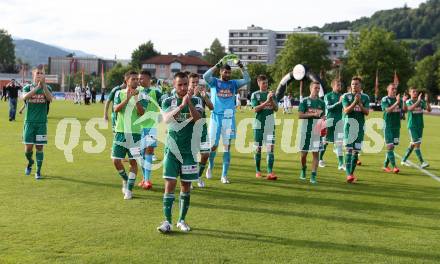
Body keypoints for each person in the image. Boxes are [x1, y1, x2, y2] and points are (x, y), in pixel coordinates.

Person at [157, 72, 203, 233]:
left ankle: (181, 220)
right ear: (174, 85)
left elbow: (198, 120)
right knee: (170, 184)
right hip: (172, 149)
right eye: (180, 85)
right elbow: (166, 119)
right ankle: (167, 222)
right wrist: (182, 106)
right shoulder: (167, 100)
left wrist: (189, 103)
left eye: (185, 84)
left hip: (189, 151)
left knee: (186, 186)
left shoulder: (197, 100)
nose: (183, 87)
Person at [203, 55, 250, 184]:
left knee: (227, 147)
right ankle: (210, 166)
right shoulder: (214, 82)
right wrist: (217, 65)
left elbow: (247, 79)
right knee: (213, 146)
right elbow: (205, 76)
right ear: (221, 72)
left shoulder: (233, 84)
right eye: (225, 71)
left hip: (229, 118)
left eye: (229, 72)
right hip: (215, 117)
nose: (227, 74)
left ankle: (224, 175)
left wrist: (240, 65)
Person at [111, 71, 145, 200]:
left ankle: (129, 190)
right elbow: (116, 109)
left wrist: (136, 99)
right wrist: (127, 99)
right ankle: (125, 179)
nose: (137, 81)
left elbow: (142, 113)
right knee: (115, 160)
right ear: (126, 81)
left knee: (133, 162)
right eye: (134, 79)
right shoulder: (119, 93)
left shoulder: (142, 95)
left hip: (135, 133)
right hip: (120, 132)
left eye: (137, 79)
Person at [22, 66, 53, 179]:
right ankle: (30, 162)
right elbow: (24, 97)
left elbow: (50, 99)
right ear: (34, 75)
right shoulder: (27, 87)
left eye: (42, 73)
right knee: (28, 148)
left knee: (39, 147)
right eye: (38, 73)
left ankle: (38, 171)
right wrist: (36, 88)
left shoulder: (47, 87)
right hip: (29, 123)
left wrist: (43, 86)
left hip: (41, 123)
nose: (39, 75)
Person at [136, 70, 162, 190]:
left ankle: (147, 180)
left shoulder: (156, 92)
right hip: (138, 127)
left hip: (152, 127)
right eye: (138, 78)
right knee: (141, 154)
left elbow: (164, 106)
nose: (139, 80)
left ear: (149, 79)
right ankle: (144, 178)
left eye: (141, 78)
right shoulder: (136, 92)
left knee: (149, 151)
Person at [342, 77, 370, 183]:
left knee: (356, 152)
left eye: (356, 84)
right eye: (353, 84)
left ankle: (351, 174)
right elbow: (346, 111)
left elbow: (367, 112)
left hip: (360, 127)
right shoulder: (346, 96)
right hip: (349, 127)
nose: (354, 86)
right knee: (349, 150)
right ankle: (349, 174)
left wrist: (360, 104)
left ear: (360, 86)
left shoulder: (365, 97)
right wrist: (355, 101)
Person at [251, 75, 278, 180]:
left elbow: (276, 109)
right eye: (263, 83)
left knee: (270, 148)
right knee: (258, 149)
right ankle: (258, 171)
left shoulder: (271, 95)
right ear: (259, 83)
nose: (266, 85)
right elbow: (255, 109)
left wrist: (271, 100)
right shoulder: (255, 95)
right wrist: (267, 101)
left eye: (267, 83)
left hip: (270, 125)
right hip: (258, 125)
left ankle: (270, 172)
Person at [297, 81, 325, 184]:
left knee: (316, 155)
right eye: (315, 88)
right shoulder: (304, 101)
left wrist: (323, 120)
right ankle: (303, 169)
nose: (317, 90)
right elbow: (300, 115)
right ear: (310, 88)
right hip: (306, 131)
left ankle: (313, 176)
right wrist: (313, 114)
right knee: (303, 155)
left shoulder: (322, 103)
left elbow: (323, 116)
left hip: (317, 131)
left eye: (318, 88)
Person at [189, 73, 214, 188]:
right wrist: (193, 95)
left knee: (205, 154)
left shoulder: (203, 93)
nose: (195, 84)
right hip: (189, 130)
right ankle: (188, 180)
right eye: (192, 82)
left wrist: (204, 97)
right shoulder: (186, 94)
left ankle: (198, 176)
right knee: (191, 156)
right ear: (189, 83)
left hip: (202, 128)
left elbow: (211, 107)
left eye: (196, 82)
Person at [401, 87, 431, 168]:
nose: (415, 93)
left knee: (413, 144)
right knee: (417, 144)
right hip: (412, 126)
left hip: (420, 126)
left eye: (416, 92)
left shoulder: (421, 102)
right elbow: (410, 109)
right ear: (410, 93)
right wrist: (418, 101)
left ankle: (403, 160)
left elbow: (429, 110)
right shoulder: (408, 101)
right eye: (413, 91)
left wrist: (427, 101)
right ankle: (422, 162)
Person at [319, 79, 345, 170]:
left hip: (339, 122)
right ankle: (320, 159)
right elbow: (329, 108)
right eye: (338, 85)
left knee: (339, 143)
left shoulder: (342, 96)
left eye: (340, 85)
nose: (339, 86)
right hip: (329, 121)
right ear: (333, 86)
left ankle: (341, 164)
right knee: (325, 142)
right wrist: (339, 102)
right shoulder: (328, 96)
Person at [381, 83, 406, 173]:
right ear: (388, 89)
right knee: (390, 146)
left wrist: (403, 101)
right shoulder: (385, 99)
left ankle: (385, 165)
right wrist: (397, 102)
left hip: (396, 126)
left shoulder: (398, 100)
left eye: (395, 89)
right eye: (392, 89)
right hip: (387, 126)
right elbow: (388, 110)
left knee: (392, 146)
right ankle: (395, 167)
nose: (394, 90)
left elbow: (404, 111)